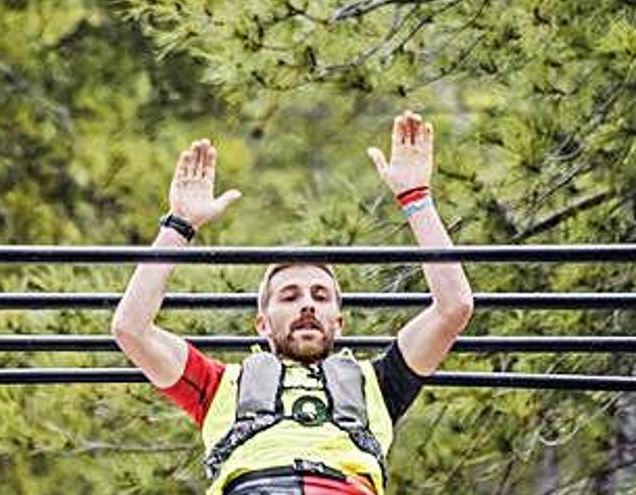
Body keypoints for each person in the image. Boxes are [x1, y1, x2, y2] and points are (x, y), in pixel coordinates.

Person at [112, 110, 474, 495]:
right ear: (262, 323)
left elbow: (454, 308)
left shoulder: (379, 384)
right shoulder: (220, 386)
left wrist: (416, 199)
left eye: (320, 296)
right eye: (290, 296)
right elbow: (131, 329)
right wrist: (178, 227)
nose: (307, 306)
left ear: (339, 322)